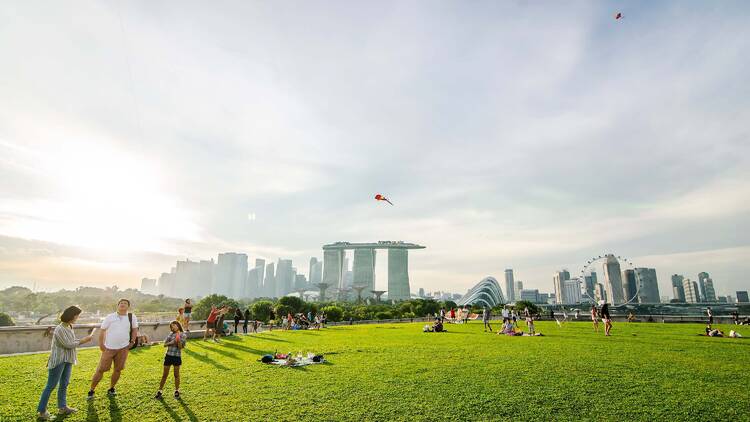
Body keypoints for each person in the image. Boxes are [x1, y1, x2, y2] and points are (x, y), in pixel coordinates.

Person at [37, 306, 94, 420]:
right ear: (72, 315)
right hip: (58, 360)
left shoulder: (69, 326)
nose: (78, 317)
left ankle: (63, 407)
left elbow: (71, 342)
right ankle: (42, 411)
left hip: (68, 359)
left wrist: (81, 340)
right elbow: (68, 344)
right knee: (51, 385)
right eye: (77, 315)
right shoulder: (60, 329)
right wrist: (84, 340)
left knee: (64, 384)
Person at [88, 299, 138, 400]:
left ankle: (111, 389)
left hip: (123, 348)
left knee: (118, 369)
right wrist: (101, 344)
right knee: (101, 370)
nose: (123, 305)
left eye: (125, 303)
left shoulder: (131, 317)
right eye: (121, 303)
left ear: (128, 307)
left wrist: (132, 342)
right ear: (118, 305)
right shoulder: (110, 317)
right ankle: (91, 390)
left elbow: (134, 329)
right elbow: (102, 331)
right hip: (109, 348)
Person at [155, 321, 186, 399]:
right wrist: (172, 342)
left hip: (177, 357)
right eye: (172, 326)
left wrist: (178, 341)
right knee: (164, 375)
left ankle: (177, 390)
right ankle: (160, 391)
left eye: (174, 325)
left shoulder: (183, 335)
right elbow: (165, 344)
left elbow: (181, 347)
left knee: (176, 375)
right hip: (168, 356)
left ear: (178, 325)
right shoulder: (170, 334)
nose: (173, 327)